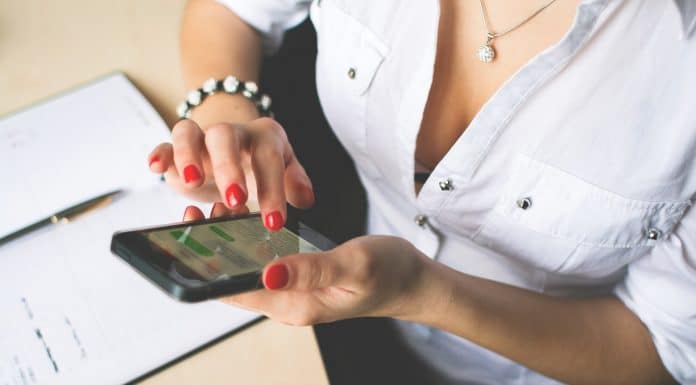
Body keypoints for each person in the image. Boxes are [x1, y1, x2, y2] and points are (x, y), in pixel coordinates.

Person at [147, 0, 696, 384]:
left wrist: (420, 291)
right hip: (335, 341)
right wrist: (226, 113)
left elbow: (663, 351)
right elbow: (231, 10)